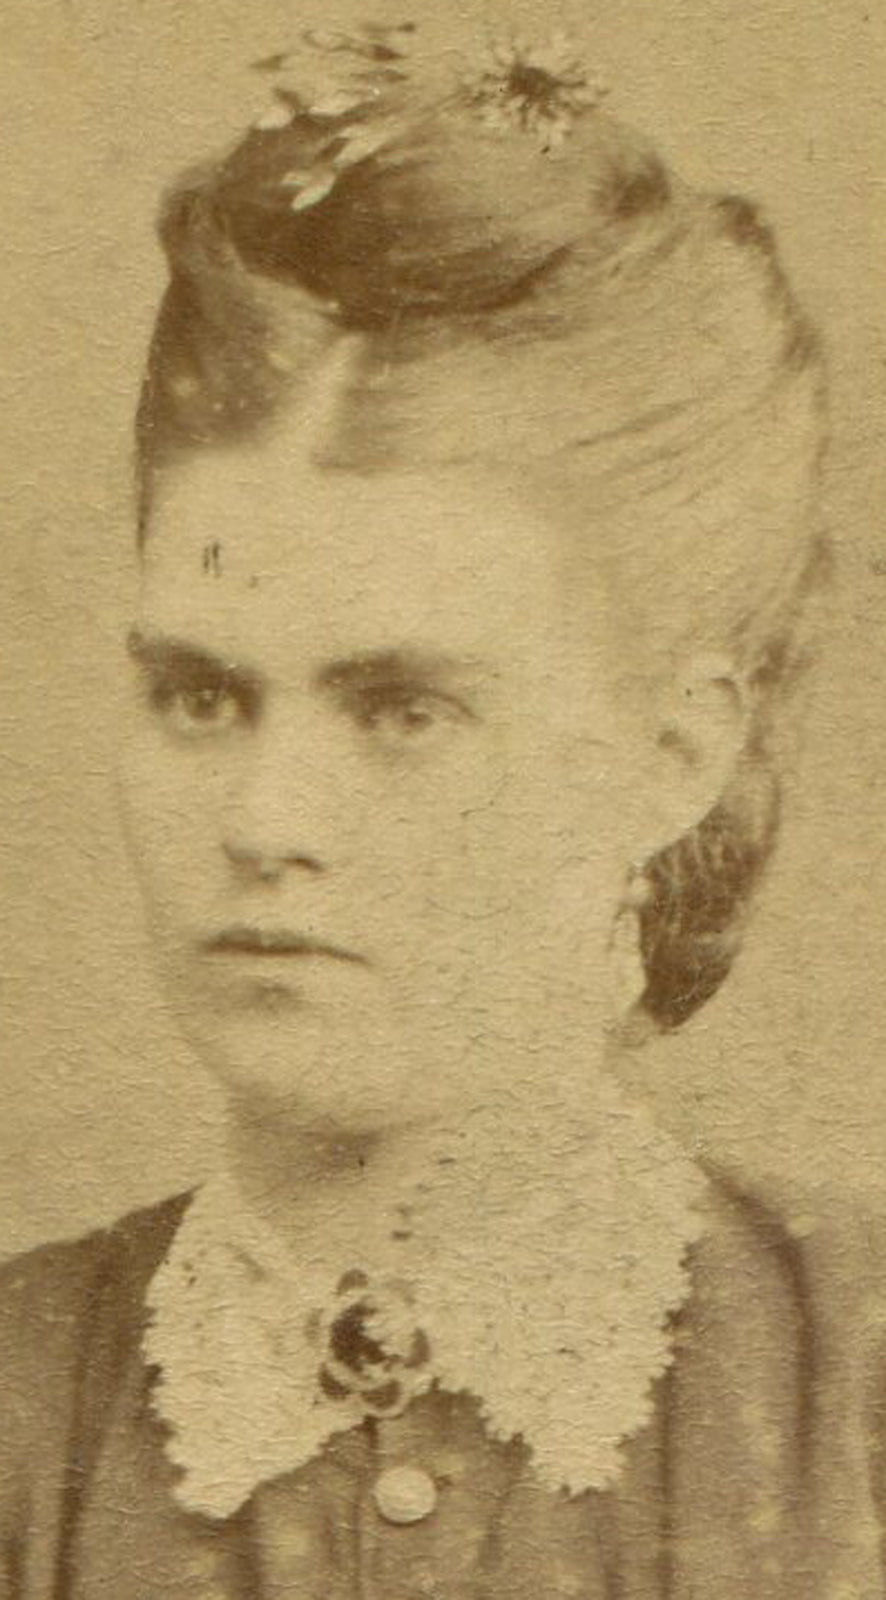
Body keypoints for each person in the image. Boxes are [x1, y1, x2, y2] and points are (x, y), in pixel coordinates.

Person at [0, 24, 855, 1599]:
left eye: (403, 710)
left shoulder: (848, 1396)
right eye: (201, 695)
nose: (264, 817)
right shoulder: (19, 1410)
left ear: (671, 756)